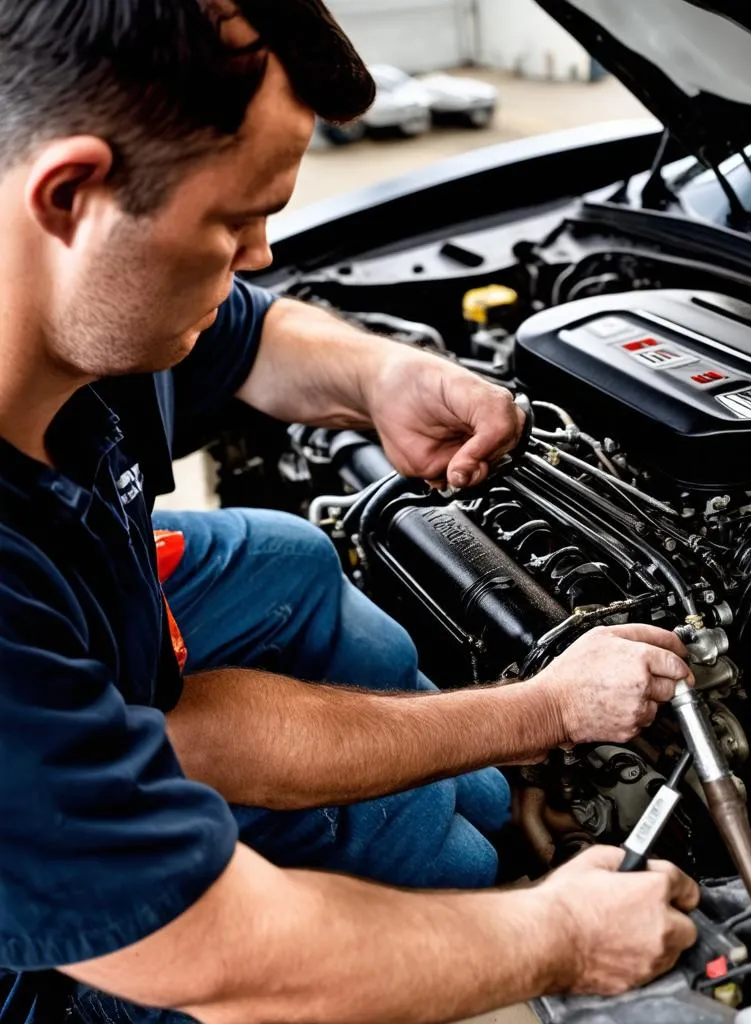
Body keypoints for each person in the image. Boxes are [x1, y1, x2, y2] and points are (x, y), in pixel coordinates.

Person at [0, 2, 701, 1022]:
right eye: (230, 220)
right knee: (429, 911)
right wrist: (557, 935)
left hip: (86, 606)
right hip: (66, 965)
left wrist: (383, 374)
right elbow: (221, 947)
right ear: (71, 194)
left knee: (286, 562)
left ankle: (480, 825)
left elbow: (250, 334)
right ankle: (458, 870)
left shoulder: (62, 284)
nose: (260, 252)